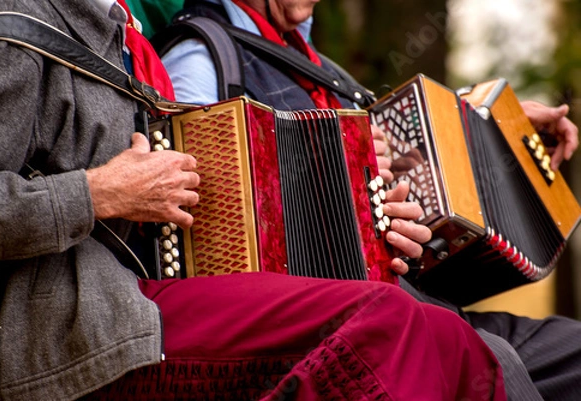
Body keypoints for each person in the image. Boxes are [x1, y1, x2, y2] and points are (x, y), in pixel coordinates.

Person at [0, 0, 511, 400]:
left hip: (143, 294)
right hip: (62, 329)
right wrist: (100, 193)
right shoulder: (14, 26)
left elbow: (191, 197)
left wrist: (365, 224)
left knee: (449, 339)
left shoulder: (117, 30)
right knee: (392, 324)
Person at [158, 0, 581, 400]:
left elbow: (399, 168)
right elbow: (204, 239)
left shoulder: (324, 71)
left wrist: (502, 134)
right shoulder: (202, 57)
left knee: (573, 350)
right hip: (327, 328)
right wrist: (337, 186)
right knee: (493, 361)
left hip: (411, 301)